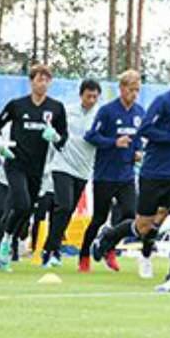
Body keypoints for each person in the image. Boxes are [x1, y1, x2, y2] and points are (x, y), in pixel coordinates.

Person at [92, 54, 170, 292]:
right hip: (154, 174)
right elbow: (145, 129)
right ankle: (109, 236)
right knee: (144, 226)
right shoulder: (163, 101)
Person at [0, 63, 68, 271]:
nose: (42, 84)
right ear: (31, 81)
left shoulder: (56, 108)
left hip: (38, 168)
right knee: (22, 204)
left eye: (46, 80)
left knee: (27, 211)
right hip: (15, 163)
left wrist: (56, 137)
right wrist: (0, 145)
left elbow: (63, 139)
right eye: (39, 79)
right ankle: (4, 246)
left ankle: (5, 246)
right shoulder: (17, 105)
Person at [80, 70, 144, 273]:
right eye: (131, 89)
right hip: (105, 174)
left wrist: (138, 152)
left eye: (137, 90)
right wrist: (114, 142)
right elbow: (91, 136)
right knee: (99, 218)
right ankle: (84, 256)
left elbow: (139, 139)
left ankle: (109, 247)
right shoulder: (107, 111)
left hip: (126, 175)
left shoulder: (139, 112)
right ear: (122, 88)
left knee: (130, 214)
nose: (134, 94)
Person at [41, 79, 101, 268]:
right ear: (81, 95)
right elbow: (53, 132)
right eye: (88, 96)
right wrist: (52, 135)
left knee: (68, 211)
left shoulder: (100, 116)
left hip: (83, 169)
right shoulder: (66, 111)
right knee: (64, 206)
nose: (91, 100)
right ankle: (50, 250)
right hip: (62, 165)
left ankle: (53, 246)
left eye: (95, 97)